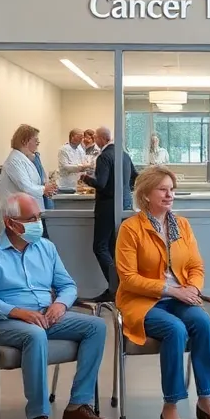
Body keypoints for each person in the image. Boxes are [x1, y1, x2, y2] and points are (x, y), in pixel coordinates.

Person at [0, 193, 112, 419]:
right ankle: (37, 418)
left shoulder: (47, 248)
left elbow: (67, 285)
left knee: (96, 326)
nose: (39, 223)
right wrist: (19, 312)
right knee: (34, 334)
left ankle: (78, 406)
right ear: (10, 222)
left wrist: (60, 304)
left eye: (39, 217)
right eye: (32, 218)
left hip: (46, 316)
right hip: (3, 321)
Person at [115, 165, 210, 419]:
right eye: (163, 190)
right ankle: (171, 405)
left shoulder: (182, 225)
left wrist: (193, 288)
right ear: (146, 195)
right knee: (175, 329)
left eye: (172, 190)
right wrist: (171, 290)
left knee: (204, 324)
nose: (170, 195)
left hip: (180, 297)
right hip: (142, 302)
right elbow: (128, 278)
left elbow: (196, 266)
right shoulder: (131, 229)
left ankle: (205, 400)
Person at [81, 125, 137, 301]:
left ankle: (115, 287)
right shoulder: (123, 154)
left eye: (96, 137)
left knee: (100, 247)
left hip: (107, 207)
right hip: (124, 205)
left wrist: (85, 178)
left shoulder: (104, 156)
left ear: (100, 138)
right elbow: (135, 176)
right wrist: (125, 190)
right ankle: (120, 288)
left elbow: (101, 184)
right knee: (115, 248)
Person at [0, 124, 57, 219]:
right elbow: (26, 187)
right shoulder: (14, 160)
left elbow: (34, 184)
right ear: (24, 141)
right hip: (18, 213)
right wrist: (44, 189)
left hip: (29, 212)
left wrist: (45, 189)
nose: (38, 143)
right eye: (35, 140)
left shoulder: (26, 159)